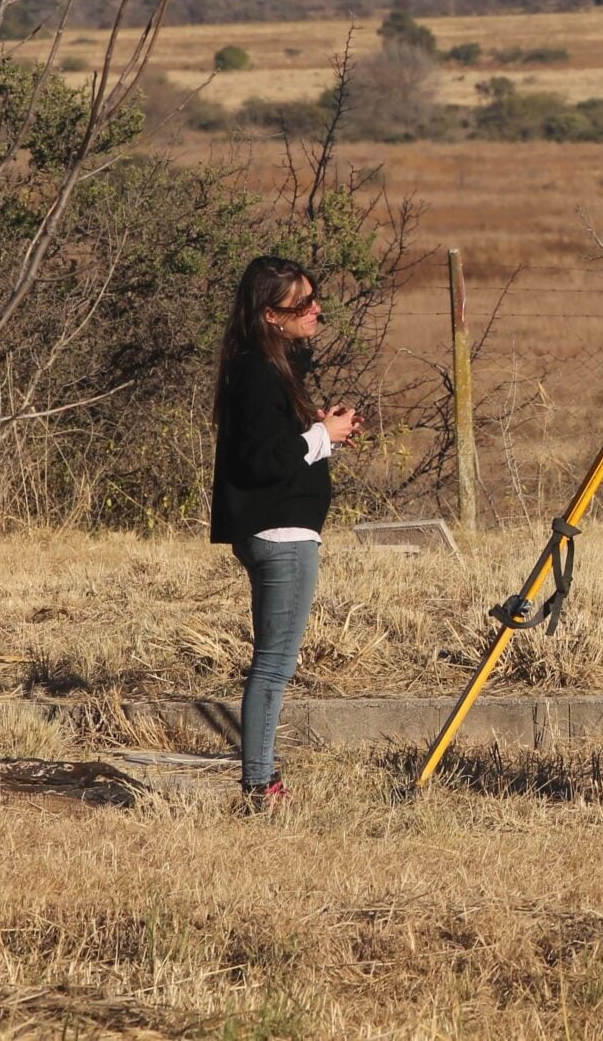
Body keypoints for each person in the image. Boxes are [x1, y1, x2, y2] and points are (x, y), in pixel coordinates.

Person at [210, 255, 361, 808]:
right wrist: (322, 434)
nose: (316, 309)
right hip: (281, 535)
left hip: (279, 533)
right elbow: (261, 461)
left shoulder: (266, 366)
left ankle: (261, 780)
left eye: (315, 297)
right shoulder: (258, 369)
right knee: (274, 663)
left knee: (273, 660)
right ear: (270, 314)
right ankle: (260, 784)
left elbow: (270, 443)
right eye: (302, 304)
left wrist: (317, 427)